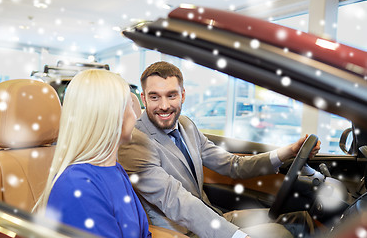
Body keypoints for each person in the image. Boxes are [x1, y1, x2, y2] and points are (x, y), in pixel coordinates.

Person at [118, 61, 321, 238]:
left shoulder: (186, 125)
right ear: (144, 99)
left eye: (171, 95)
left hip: (213, 217)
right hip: (181, 233)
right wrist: (237, 236)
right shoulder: (135, 141)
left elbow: (233, 165)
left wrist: (289, 151)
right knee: (282, 233)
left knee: (298, 219)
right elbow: (178, 201)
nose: (164, 106)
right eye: (155, 97)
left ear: (183, 95)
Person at [34, 69, 151, 238]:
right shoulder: (77, 186)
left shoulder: (114, 169)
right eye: (131, 106)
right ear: (112, 116)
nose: (136, 115)